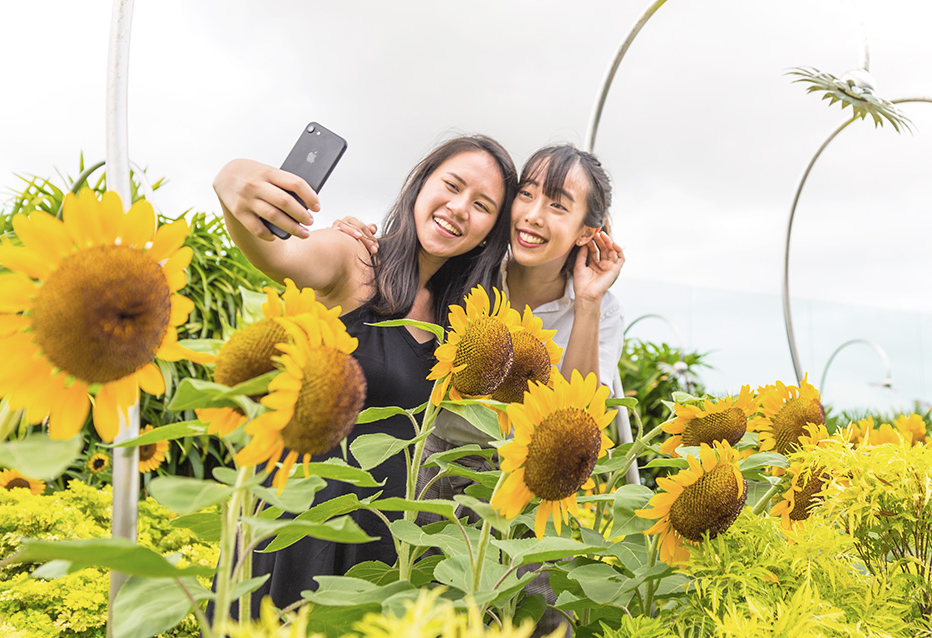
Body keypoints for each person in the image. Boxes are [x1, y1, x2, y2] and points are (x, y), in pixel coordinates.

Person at [212, 135, 519, 612]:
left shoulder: (460, 323)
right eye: (452, 186)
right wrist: (232, 178)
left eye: (482, 205)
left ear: (489, 232)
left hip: (386, 538)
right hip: (305, 517)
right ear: (420, 185)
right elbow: (277, 254)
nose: (459, 208)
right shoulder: (354, 258)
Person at [335, 142, 628, 493]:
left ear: (586, 231)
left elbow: (580, 416)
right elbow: (406, 262)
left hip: (521, 482)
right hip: (432, 465)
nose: (534, 215)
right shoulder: (473, 273)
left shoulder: (602, 310)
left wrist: (588, 303)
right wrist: (358, 238)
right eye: (527, 194)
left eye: (557, 206)